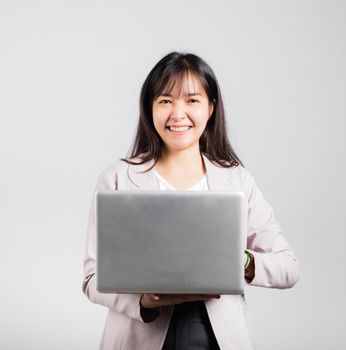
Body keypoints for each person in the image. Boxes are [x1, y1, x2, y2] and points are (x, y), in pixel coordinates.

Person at [81, 52, 299, 350]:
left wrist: (243, 261)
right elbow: (92, 278)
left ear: (211, 108)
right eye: (166, 100)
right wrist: (143, 301)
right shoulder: (118, 177)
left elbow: (288, 267)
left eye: (192, 100)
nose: (177, 114)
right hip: (140, 332)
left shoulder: (237, 180)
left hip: (215, 337)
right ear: (150, 107)